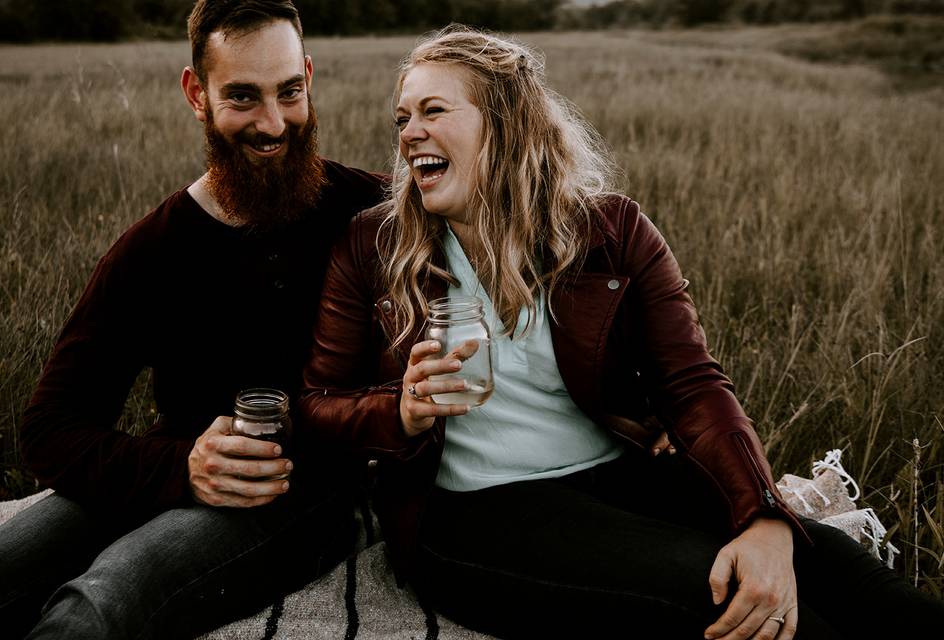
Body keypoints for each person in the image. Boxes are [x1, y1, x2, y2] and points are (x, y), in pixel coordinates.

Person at [300, 25, 944, 639]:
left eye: (432, 111)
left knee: (833, 565)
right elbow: (319, 406)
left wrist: (764, 514)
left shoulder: (611, 231)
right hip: (471, 515)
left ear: (503, 125)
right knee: (728, 599)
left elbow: (692, 384)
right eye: (402, 117)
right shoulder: (374, 244)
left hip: (616, 473)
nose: (409, 132)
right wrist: (402, 412)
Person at [0, 1, 386, 638]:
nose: (273, 123)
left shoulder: (370, 211)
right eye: (243, 97)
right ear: (196, 94)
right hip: (169, 467)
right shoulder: (152, 250)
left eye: (290, 92)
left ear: (309, 75)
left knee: (101, 600)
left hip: (298, 493)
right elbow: (49, 428)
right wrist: (180, 468)